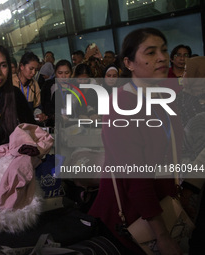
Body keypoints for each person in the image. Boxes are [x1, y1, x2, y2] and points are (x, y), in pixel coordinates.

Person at [88, 28, 185, 255]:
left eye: (163, 50)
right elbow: (135, 177)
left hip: (162, 204)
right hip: (133, 218)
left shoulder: (162, 96)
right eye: (150, 53)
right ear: (129, 63)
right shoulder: (120, 106)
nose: (162, 57)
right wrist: (162, 236)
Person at [12, 51, 46, 121]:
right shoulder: (10, 82)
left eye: (36, 70)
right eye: (31, 69)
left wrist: (38, 113)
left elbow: (37, 106)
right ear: (21, 66)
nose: (33, 73)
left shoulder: (34, 84)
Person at [41, 59, 73, 127]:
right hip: (53, 124)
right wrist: (56, 115)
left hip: (73, 122)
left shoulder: (75, 86)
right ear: (55, 73)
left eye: (67, 73)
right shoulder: (48, 85)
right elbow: (45, 105)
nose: (63, 76)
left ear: (71, 73)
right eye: (60, 73)